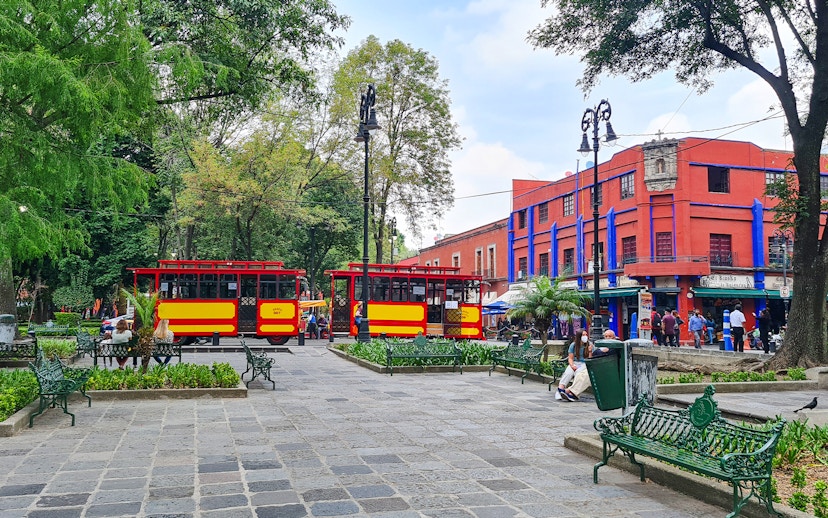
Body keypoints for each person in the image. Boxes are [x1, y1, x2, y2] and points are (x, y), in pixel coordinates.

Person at [562, 329, 618, 401]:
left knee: (588, 375)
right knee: (580, 374)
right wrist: (590, 351)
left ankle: (570, 391)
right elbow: (591, 358)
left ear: (614, 337)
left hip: (605, 369)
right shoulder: (601, 346)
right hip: (596, 367)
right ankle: (573, 393)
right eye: (606, 336)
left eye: (610, 336)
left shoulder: (614, 347)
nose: (607, 338)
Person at [556, 330, 589, 401]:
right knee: (568, 373)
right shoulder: (573, 345)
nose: (585, 336)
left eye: (586, 334)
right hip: (575, 362)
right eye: (583, 335)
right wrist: (572, 365)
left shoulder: (589, 345)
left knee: (579, 373)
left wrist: (589, 351)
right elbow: (570, 358)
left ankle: (573, 393)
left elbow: (590, 358)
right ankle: (560, 389)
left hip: (584, 363)